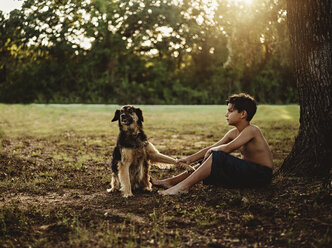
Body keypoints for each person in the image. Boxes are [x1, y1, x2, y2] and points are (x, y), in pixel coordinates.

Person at [152, 93, 273, 196]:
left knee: (216, 156)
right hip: (247, 171)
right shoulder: (233, 132)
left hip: (261, 174)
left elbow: (227, 148)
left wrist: (212, 152)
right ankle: (170, 182)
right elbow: (212, 147)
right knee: (211, 157)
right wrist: (189, 159)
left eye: (230, 111)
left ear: (243, 114)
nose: (226, 114)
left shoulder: (252, 130)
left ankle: (182, 187)